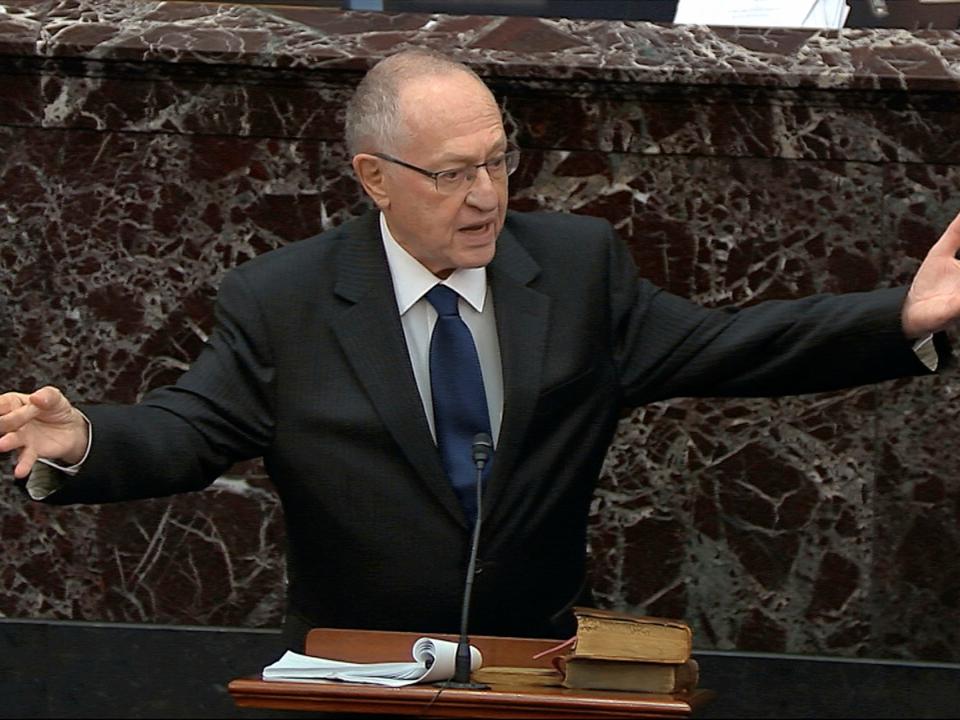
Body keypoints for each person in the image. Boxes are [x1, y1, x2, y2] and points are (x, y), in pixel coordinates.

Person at [1, 49, 958, 651]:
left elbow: (731, 344)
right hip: (351, 669)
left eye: (498, 159)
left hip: (535, 667)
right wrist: (81, 443)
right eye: (453, 174)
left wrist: (902, 317)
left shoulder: (576, 269)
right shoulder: (285, 298)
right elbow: (190, 429)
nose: (488, 195)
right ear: (375, 178)